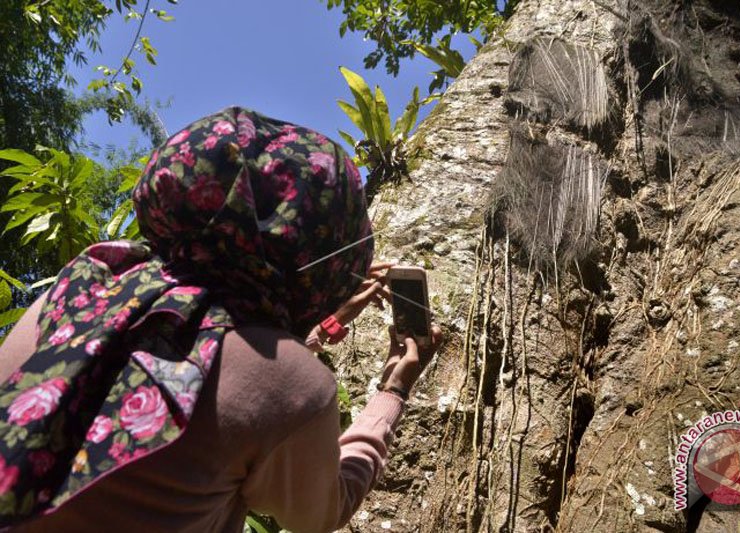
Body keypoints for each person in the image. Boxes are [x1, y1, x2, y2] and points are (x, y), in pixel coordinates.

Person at [0, 107, 442, 532]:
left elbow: (191, 368)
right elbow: (321, 513)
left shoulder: (81, 285)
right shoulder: (294, 386)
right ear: (321, 242)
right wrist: (393, 388)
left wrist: (327, 327)